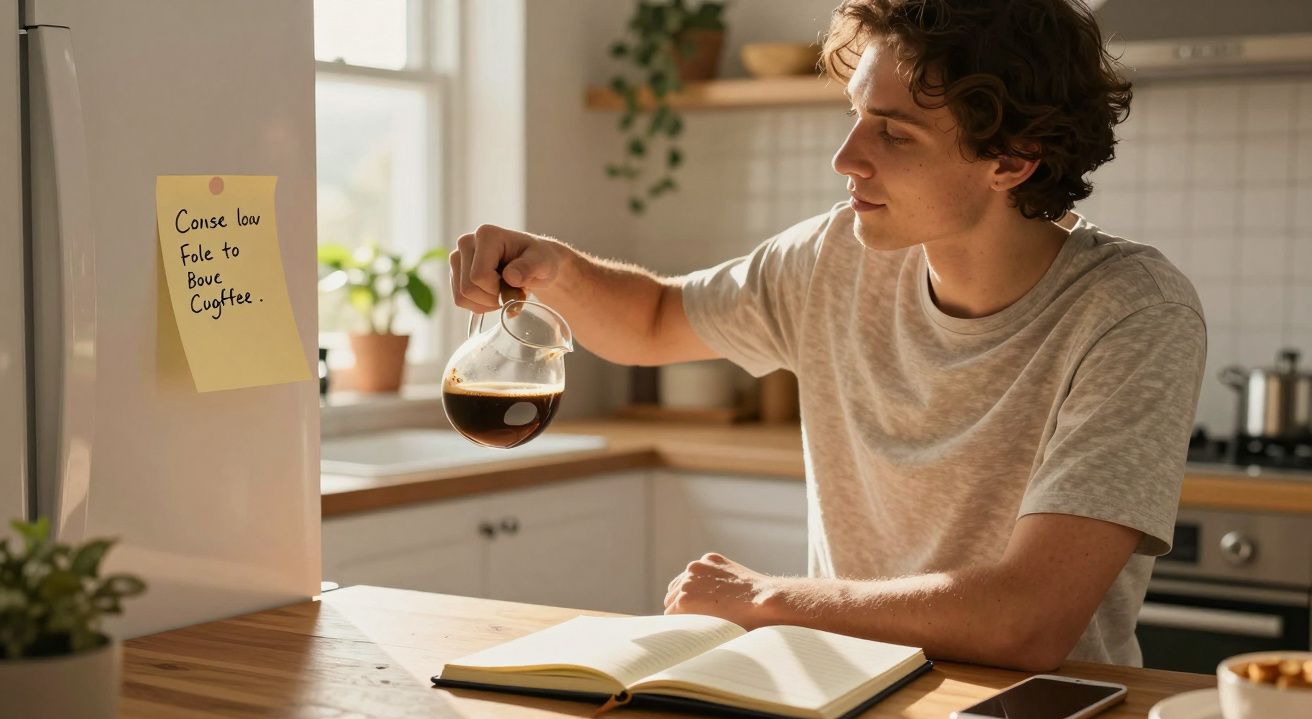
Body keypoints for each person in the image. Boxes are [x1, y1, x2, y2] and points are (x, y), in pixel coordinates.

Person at [447, 0, 1205, 671]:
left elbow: (1027, 620)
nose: (846, 159)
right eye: (855, 116)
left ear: (1011, 159)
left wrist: (765, 599)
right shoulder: (831, 256)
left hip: (1032, 715)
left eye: (893, 133)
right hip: (844, 692)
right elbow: (652, 321)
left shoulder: (1133, 310)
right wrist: (554, 268)